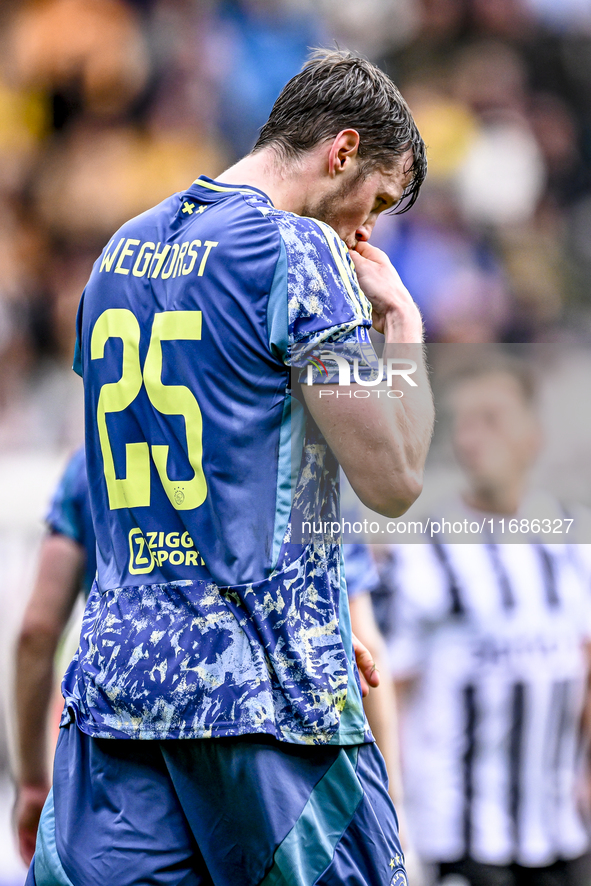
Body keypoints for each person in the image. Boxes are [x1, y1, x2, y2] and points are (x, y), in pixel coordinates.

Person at [28, 49, 434, 885]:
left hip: (120, 696)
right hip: (269, 700)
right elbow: (393, 479)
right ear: (341, 151)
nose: (366, 230)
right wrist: (403, 327)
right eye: (378, 201)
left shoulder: (118, 253)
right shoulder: (298, 252)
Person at [376, 360, 591, 886]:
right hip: (463, 837)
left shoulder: (573, 537)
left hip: (562, 828)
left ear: (533, 436)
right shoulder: (419, 552)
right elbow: (388, 692)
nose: (473, 438)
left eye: (491, 419)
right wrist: (391, 814)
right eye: (463, 423)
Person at [14, 447, 95, 866]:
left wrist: (31, 783)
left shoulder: (90, 462)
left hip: (121, 738)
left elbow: (36, 633)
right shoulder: (259, 430)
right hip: (255, 723)